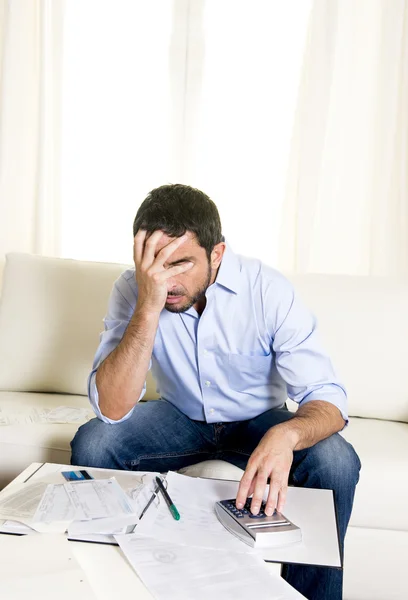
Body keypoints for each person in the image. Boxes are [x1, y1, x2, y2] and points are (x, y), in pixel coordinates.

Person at [71, 183, 361, 600]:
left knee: (336, 460)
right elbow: (112, 410)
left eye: (181, 263)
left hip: (259, 422)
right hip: (178, 419)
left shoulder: (267, 290)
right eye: (154, 263)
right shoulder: (134, 290)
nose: (165, 279)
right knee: (95, 442)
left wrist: (287, 434)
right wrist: (147, 306)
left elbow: (328, 398)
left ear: (217, 254)